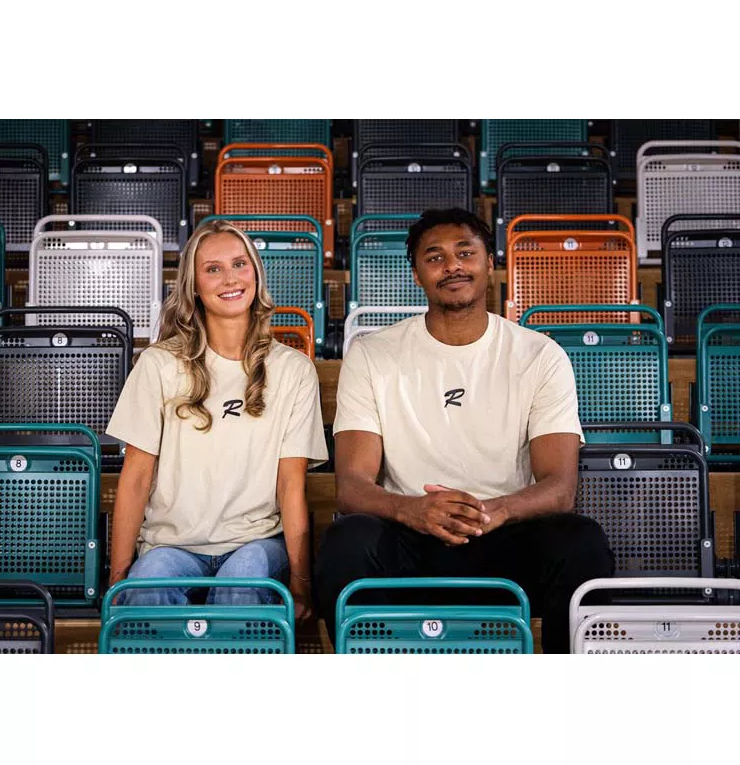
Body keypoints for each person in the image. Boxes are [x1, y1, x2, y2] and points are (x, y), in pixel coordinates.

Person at [316, 207, 614, 653]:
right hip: (412, 535)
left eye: (465, 252)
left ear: (488, 264)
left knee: (581, 543)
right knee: (347, 541)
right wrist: (413, 510)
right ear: (416, 274)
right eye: (434, 257)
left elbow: (560, 487)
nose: (452, 265)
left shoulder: (540, 355)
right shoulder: (374, 354)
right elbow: (351, 487)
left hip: (502, 533)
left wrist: (495, 512)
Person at [106, 219, 328, 623]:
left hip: (255, 542)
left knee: (240, 585)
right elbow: (135, 477)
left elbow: (291, 483)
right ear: (193, 285)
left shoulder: (292, 369)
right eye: (213, 269)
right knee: (146, 588)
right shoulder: (158, 364)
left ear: (256, 274)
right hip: (171, 546)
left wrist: (300, 583)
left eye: (240, 264)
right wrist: (119, 577)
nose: (230, 278)